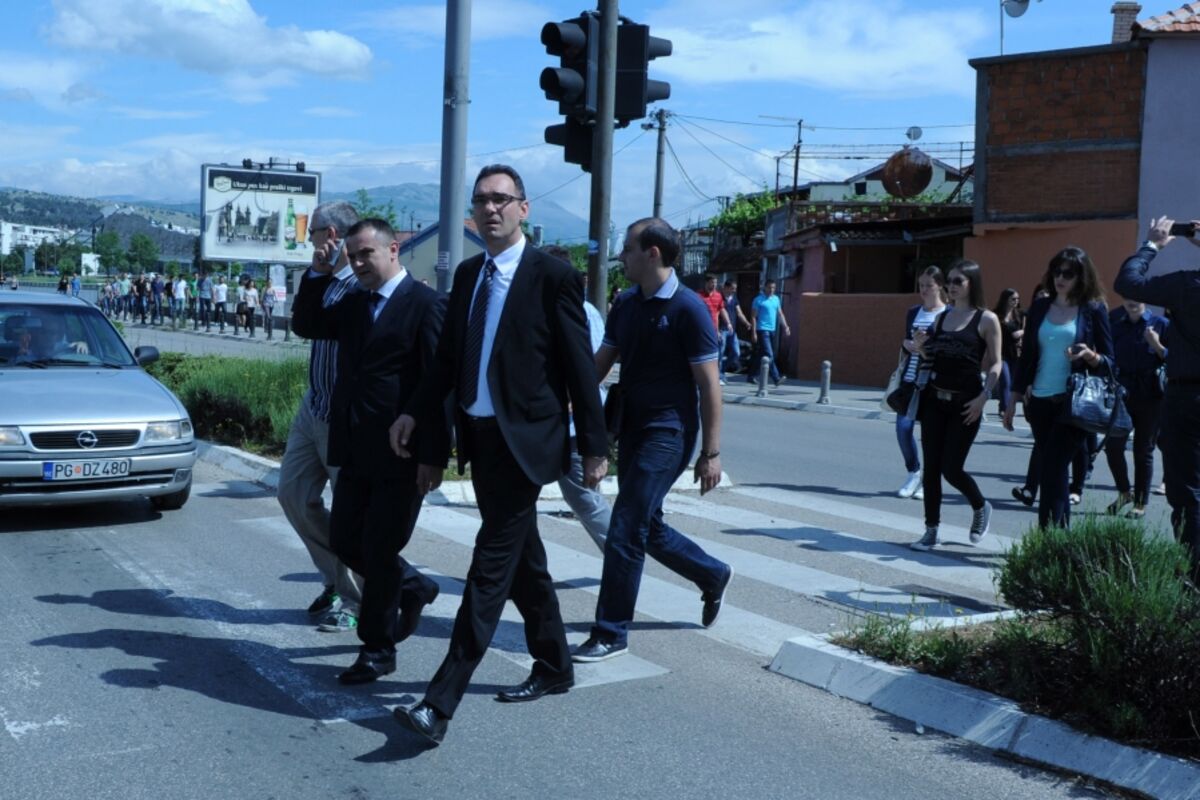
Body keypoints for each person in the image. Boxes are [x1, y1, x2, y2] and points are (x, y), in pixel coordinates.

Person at [389, 164, 607, 746]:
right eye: (482, 200)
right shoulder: (469, 274)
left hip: (525, 443)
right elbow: (445, 362)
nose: (491, 209)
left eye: (501, 200)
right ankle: (555, 664)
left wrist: (594, 445)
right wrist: (414, 412)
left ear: (523, 209)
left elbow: (579, 368)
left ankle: (440, 702)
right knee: (523, 560)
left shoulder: (552, 277)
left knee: (488, 569)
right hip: (479, 438)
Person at [291, 217, 446, 684]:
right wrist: (318, 273)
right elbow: (307, 324)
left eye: (366, 254)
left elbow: (439, 385)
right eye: (353, 256)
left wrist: (433, 456)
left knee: (379, 549)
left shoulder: (425, 304)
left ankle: (377, 650)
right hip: (353, 447)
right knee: (344, 541)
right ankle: (413, 585)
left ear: (393, 249)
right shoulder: (355, 303)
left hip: (401, 454)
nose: (358, 263)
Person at [572, 218, 732, 664]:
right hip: (632, 427)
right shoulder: (625, 304)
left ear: (652, 253)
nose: (621, 256)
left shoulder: (689, 310)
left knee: (626, 524)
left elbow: (709, 387)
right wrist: (565, 404)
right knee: (647, 525)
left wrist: (711, 453)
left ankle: (610, 632)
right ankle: (712, 574)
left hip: (670, 432)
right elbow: (598, 366)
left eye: (627, 248)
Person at [276, 201, 364, 635]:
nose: (308, 239)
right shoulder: (326, 280)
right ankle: (333, 579)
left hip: (343, 417)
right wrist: (315, 273)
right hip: (314, 407)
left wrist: (335, 272)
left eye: (312, 232)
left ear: (331, 235)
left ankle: (358, 600)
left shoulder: (363, 283)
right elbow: (303, 325)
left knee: (351, 516)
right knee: (293, 494)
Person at [1003, 247, 1113, 529]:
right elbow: (1027, 356)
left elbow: (1111, 362)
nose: (1060, 278)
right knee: (1055, 471)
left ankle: (1048, 536)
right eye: (1056, 272)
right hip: (1039, 402)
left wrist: (1090, 355)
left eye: (1068, 273)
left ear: (1082, 277)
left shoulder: (1093, 309)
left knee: (1052, 466)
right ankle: (1059, 537)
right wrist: (1013, 399)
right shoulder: (1041, 307)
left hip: (1073, 404)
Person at [1114, 216, 1200, 573]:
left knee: (1188, 493)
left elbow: (1128, 283)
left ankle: (1194, 575)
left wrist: (1152, 244)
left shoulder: (1188, 285)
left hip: (1188, 396)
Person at [908, 260, 1002, 550]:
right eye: (949, 281)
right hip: (935, 401)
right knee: (931, 470)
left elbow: (997, 363)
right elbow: (932, 358)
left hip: (967, 404)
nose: (951, 286)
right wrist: (921, 348)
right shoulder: (941, 318)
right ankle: (931, 530)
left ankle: (980, 506)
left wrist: (984, 397)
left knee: (951, 468)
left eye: (958, 281)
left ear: (972, 283)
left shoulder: (986, 319)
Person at [543, 244, 611, 551]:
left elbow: (594, 370)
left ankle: (622, 559)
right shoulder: (543, 308)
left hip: (572, 424)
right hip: (547, 422)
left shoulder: (583, 312)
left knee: (586, 499)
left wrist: (572, 399)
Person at [1103, 296, 1169, 519]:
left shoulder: (1160, 324)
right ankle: (1124, 493)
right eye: (1127, 297)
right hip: (1122, 393)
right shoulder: (1116, 325)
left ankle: (1140, 503)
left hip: (1151, 395)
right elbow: (1108, 358)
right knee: (1113, 446)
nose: (1131, 301)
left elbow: (1175, 358)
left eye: (1136, 297)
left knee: (1143, 450)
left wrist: (1156, 345)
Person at [894, 266, 948, 499]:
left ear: (940, 286)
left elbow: (946, 348)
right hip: (910, 379)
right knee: (903, 428)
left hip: (933, 382)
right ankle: (913, 471)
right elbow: (907, 341)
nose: (924, 290)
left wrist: (925, 347)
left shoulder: (947, 314)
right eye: (921, 285)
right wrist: (907, 344)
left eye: (929, 285)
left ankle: (929, 480)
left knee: (931, 436)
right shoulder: (913, 312)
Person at [746, 278, 790, 387]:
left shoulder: (776, 299)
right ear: (765, 287)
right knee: (769, 354)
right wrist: (754, 332)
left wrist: (785, 326)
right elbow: (753, 317)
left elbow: (780, 314)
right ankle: (776, 378)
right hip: (762, 330)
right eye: (769, 287)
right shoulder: (758, 300)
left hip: (772, 330)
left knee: (761, 354)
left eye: (773, 288)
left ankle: (751, 376)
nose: (771, 290)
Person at [993, 288, 1024, 416]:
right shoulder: (996, 315)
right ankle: (1005, 409)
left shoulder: (1018, 315)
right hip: (1000, 352)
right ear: (1005, 299)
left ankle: (1003, 405)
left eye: (1017, 299)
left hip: (1015, 353)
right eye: (1013, 299)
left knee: (1012, 382)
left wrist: (1022, 333)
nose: (1016, 301)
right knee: (1005, 380)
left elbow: (1021, 331)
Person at [696, 274, 731, 385]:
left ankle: (716, 376)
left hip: (713, 331)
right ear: (706, 283)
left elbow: (721, 310)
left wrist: (728, 323)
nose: (714, 285)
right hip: (700, 330)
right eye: (712, 282)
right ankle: (699, 376)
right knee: (701, 354)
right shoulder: (698, 296)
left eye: (715, 282)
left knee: (715, 354)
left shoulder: (718, 296)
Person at [721, 279, 751, 377]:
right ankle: (719, 374)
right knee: (720, 352)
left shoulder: (734, 299)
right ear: (726, 288)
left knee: (736, 352)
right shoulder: (720, 298)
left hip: (732, 330)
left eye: (735, 289)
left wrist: (746, 322)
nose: (734, 291)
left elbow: (739, 313)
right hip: (722, 329)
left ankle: (722, 369)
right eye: (732, 288)